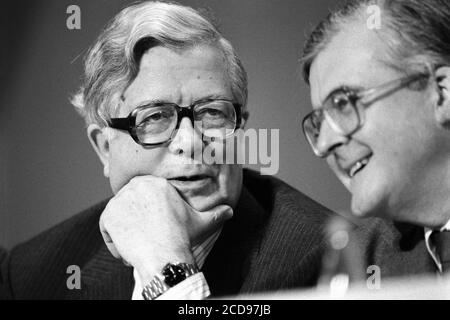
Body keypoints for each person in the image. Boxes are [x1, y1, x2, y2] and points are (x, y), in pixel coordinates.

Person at [1, 1, 333, 300]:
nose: (190, 142)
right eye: (156, 117)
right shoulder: (30, 274)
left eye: (212, 113)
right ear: (104, 148)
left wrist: (169, 272)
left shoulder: (331, 257)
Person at [300, 0, 450, 277]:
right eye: (319, 123)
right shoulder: (365, 258)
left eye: (344, 103)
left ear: (441, 92)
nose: (324, 144)